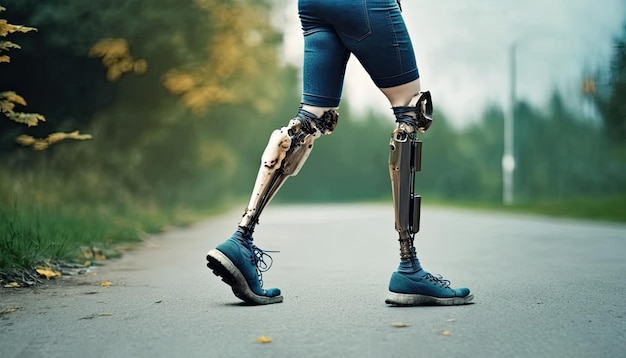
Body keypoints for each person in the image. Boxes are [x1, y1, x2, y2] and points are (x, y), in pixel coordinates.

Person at [206, 0, 473, 306]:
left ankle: (241, 237)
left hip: (313, 5)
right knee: (410, 112)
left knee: (310, 119)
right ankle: (408, 266)